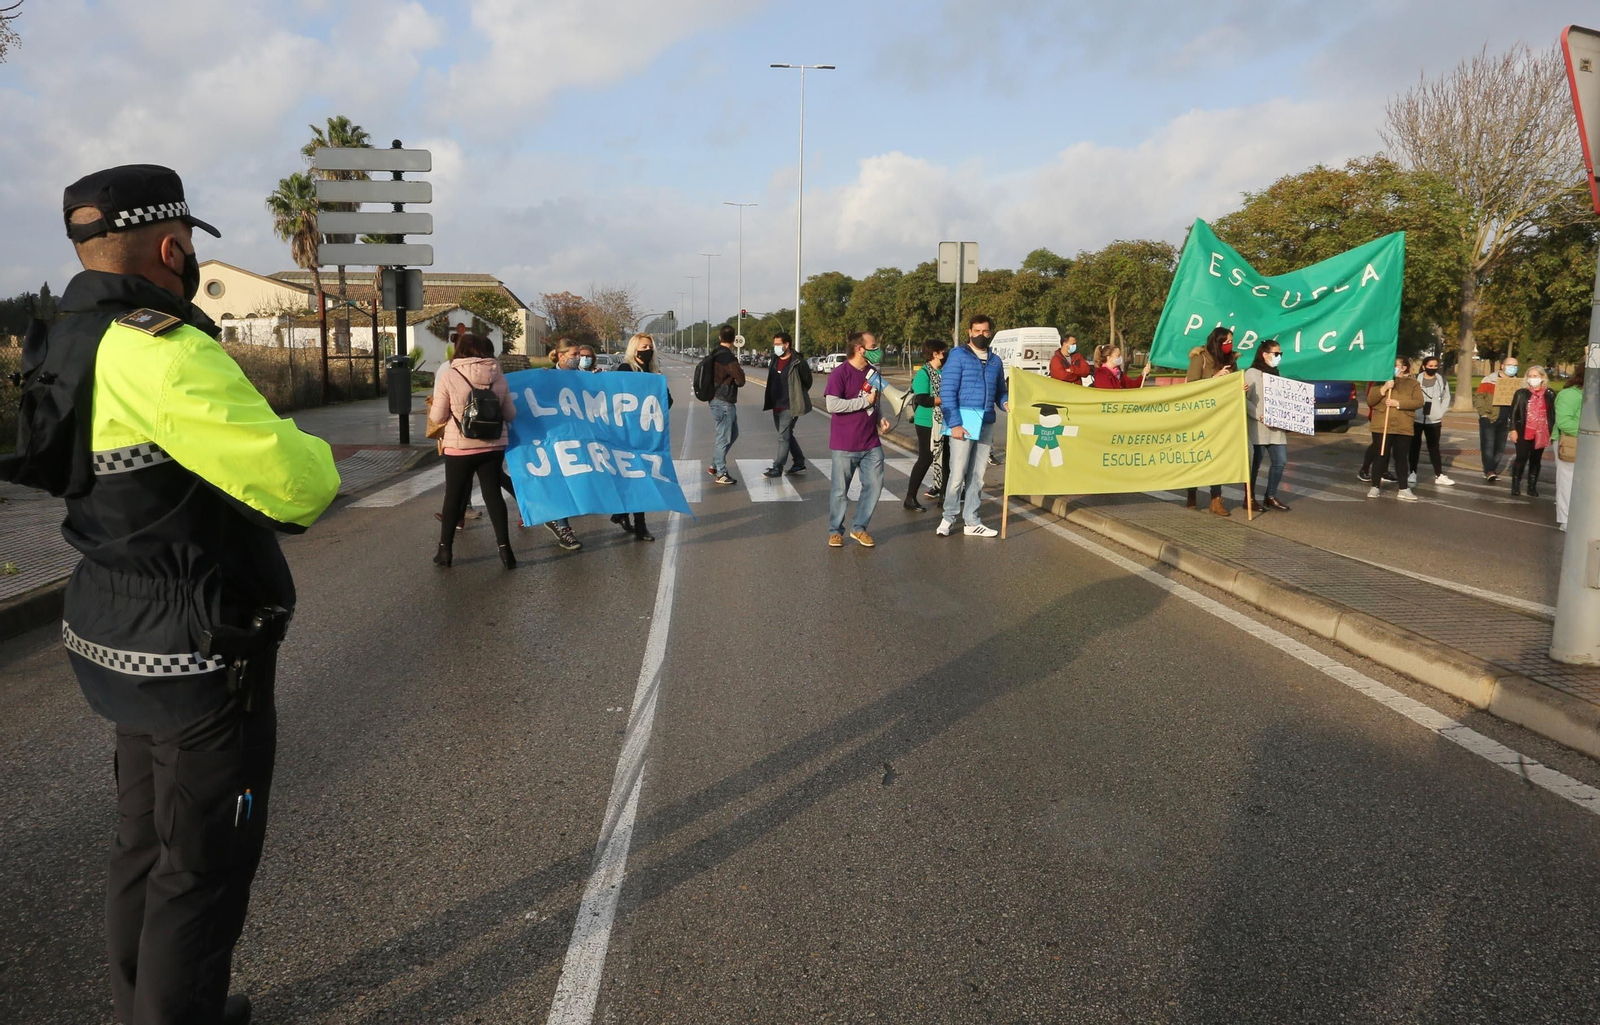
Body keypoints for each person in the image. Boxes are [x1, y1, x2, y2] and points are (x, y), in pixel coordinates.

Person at [5, 165, 341, 1025]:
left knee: (143, 843)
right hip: (198, 648)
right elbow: (297, 487)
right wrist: (295, 437)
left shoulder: (66, 335)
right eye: (190, 244)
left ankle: (155, 1005)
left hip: (118, 630)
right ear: (171, 244)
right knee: (201, 867)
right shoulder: (164, 346)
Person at [429, 333, 517, 568]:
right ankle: (506, 551)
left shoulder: (449, 374)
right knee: (493, 496)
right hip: (493, 445)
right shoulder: (499, 377)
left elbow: (437, 416)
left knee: (453, 497)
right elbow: (511, 414)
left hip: (460, 446)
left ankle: (445, 551)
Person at [937, 314, 1009, 537]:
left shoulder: (995, 361)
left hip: (986, 422)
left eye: (985, 331)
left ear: (991, 333)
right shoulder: (958, 356)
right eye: (976, 331)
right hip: (963, 423)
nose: (981, 335)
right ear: (969, 332)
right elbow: (947, 392)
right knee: (957, 474)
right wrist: (955, 424)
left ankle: (972, 520)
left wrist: (1005, 401)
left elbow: (999, 390)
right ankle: (948, 517)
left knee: (978, 476)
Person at [824, 332, 890, 547]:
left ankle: (859, 528)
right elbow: (832, 406)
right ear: (860, 349)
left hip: (871, 442)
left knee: (874, 486)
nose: (877, 349)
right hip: (845, 443)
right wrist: (863, 403)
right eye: (873, 346)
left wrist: (881, 419)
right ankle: (835, 531)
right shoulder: (839, 374)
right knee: (840, 491)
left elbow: (874, 402)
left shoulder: (873, 373)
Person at [610, 332, 669, 541]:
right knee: (634, 478)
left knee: (642, 479)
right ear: (634, 349)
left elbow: (666, 401)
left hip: (647, 435)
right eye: (643, 347)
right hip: (627, 435)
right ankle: (634, 520)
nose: (647, 350)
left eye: (650, 347)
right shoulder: (625, 369)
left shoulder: (653, 372)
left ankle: (626, 515)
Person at [1186, 326, 1237, 515]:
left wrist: (1240, 387)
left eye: (1231, 341)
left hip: (1222, 414)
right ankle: (1192, 493)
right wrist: (1213, 377)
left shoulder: (1231, 360)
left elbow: (1233, 384)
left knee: (1218, 456)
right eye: (1225, 342)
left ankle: (1216, 500)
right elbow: (1190, 385)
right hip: (1200, 415)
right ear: (1216, 342)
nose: (1229, 345)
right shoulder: (1200, 358)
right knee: (1198, 455)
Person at [1364, 356, 1424, 501]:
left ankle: (1403, 489)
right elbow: (1370, 401)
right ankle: (1375, 487)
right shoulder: (1381, 380)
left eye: (1396, 365)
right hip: (1382, 424)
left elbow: (1418, 402)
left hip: (1403, 425)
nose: (1393, 368)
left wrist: (1399, 403)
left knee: (1401, 458)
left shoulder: (1413, 383)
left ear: (1403, 368)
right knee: (1381, 455)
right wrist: (1384, 388)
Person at [1244, 339, 1291, 512]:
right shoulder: (1251, 373)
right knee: (1254, 464)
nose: (1279, 357)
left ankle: (1270, 496)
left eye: (1280, 354)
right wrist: (1258, 416)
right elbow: (1244, 399)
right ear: (1264, 355)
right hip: (1258, 427)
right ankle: (1249, 498)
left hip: (1276, 428)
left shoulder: (1277, 374)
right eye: (1276, 354)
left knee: (1280, 461)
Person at [760, 330, 812, 479]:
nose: (775, 347)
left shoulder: (798, 362)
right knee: (786, 435)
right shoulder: (775, 359)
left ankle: (777, 467)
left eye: (778, 344)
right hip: (776, 404)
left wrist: (797, 396)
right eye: (774, 344)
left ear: (786, 344)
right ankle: (799, 462)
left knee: (783, 437)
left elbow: (807, 381)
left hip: (790, 406)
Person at [905, 339, 949, 510]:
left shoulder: (943, 372)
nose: (946, 354)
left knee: (947, 458)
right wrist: (944, 399)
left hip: (945, 421)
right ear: (935, 354)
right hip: (927, 422)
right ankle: (910, 497)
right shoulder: (923, 373)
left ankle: (944, 497)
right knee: (926, 457)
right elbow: (921, 399)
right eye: (943, 351)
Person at [1406, 355, 1455, 488]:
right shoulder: (1416, 380)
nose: (1433, 368)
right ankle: (1412, 473)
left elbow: (1447, 397)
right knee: (1414, 447)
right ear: (1424, 366)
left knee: (1434, 447)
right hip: (1417, 418)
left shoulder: (1442, 381)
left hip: (1434, 420)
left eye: (1435, 366)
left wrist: (1441, 411)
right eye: (1430, 366)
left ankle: (1439, 475)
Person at [1508, 364, 1556, 498]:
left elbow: (1552, 413)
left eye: (1535, 376)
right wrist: (1512, 429)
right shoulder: (1521, 393)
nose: (1532, 379)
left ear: (1542, 377)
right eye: (1530, 376)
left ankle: (1532, 487)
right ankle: (1516, 485)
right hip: (1524, 430)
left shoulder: (1550, 393)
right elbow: (1513, 413)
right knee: (1521, 457)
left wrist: (1553, 431)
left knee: (1536, 459)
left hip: (1542, 432)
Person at [709, 324, 744, 485]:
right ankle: (721, 472)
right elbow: (740, 379)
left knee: (733, 433)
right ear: (734, 339)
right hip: (724, 401)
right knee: (724, 437)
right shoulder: (728, 357)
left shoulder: (714, 354)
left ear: (719, 338)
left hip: (715, 399)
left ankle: (715, 464)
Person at [1474, 357, 1518, 481]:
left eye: (1515, 365)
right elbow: (1479, 397)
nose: (1513, 368)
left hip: (1506, 419)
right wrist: (1483, 413)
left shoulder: (1517, 383)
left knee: (1500, 446)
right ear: (1502, 366)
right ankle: (1489, 470)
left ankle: (1493, 468)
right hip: (1489, 417)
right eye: (1510, 365)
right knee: (1488, 444)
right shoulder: (1489, 380)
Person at [1555, 366, 1585, 530]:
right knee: (1567, 481)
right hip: (1570, 442)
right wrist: (1588, 433)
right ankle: (1565, 519)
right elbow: (1564, 422)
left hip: (1588, 443)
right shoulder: (1569, 395)